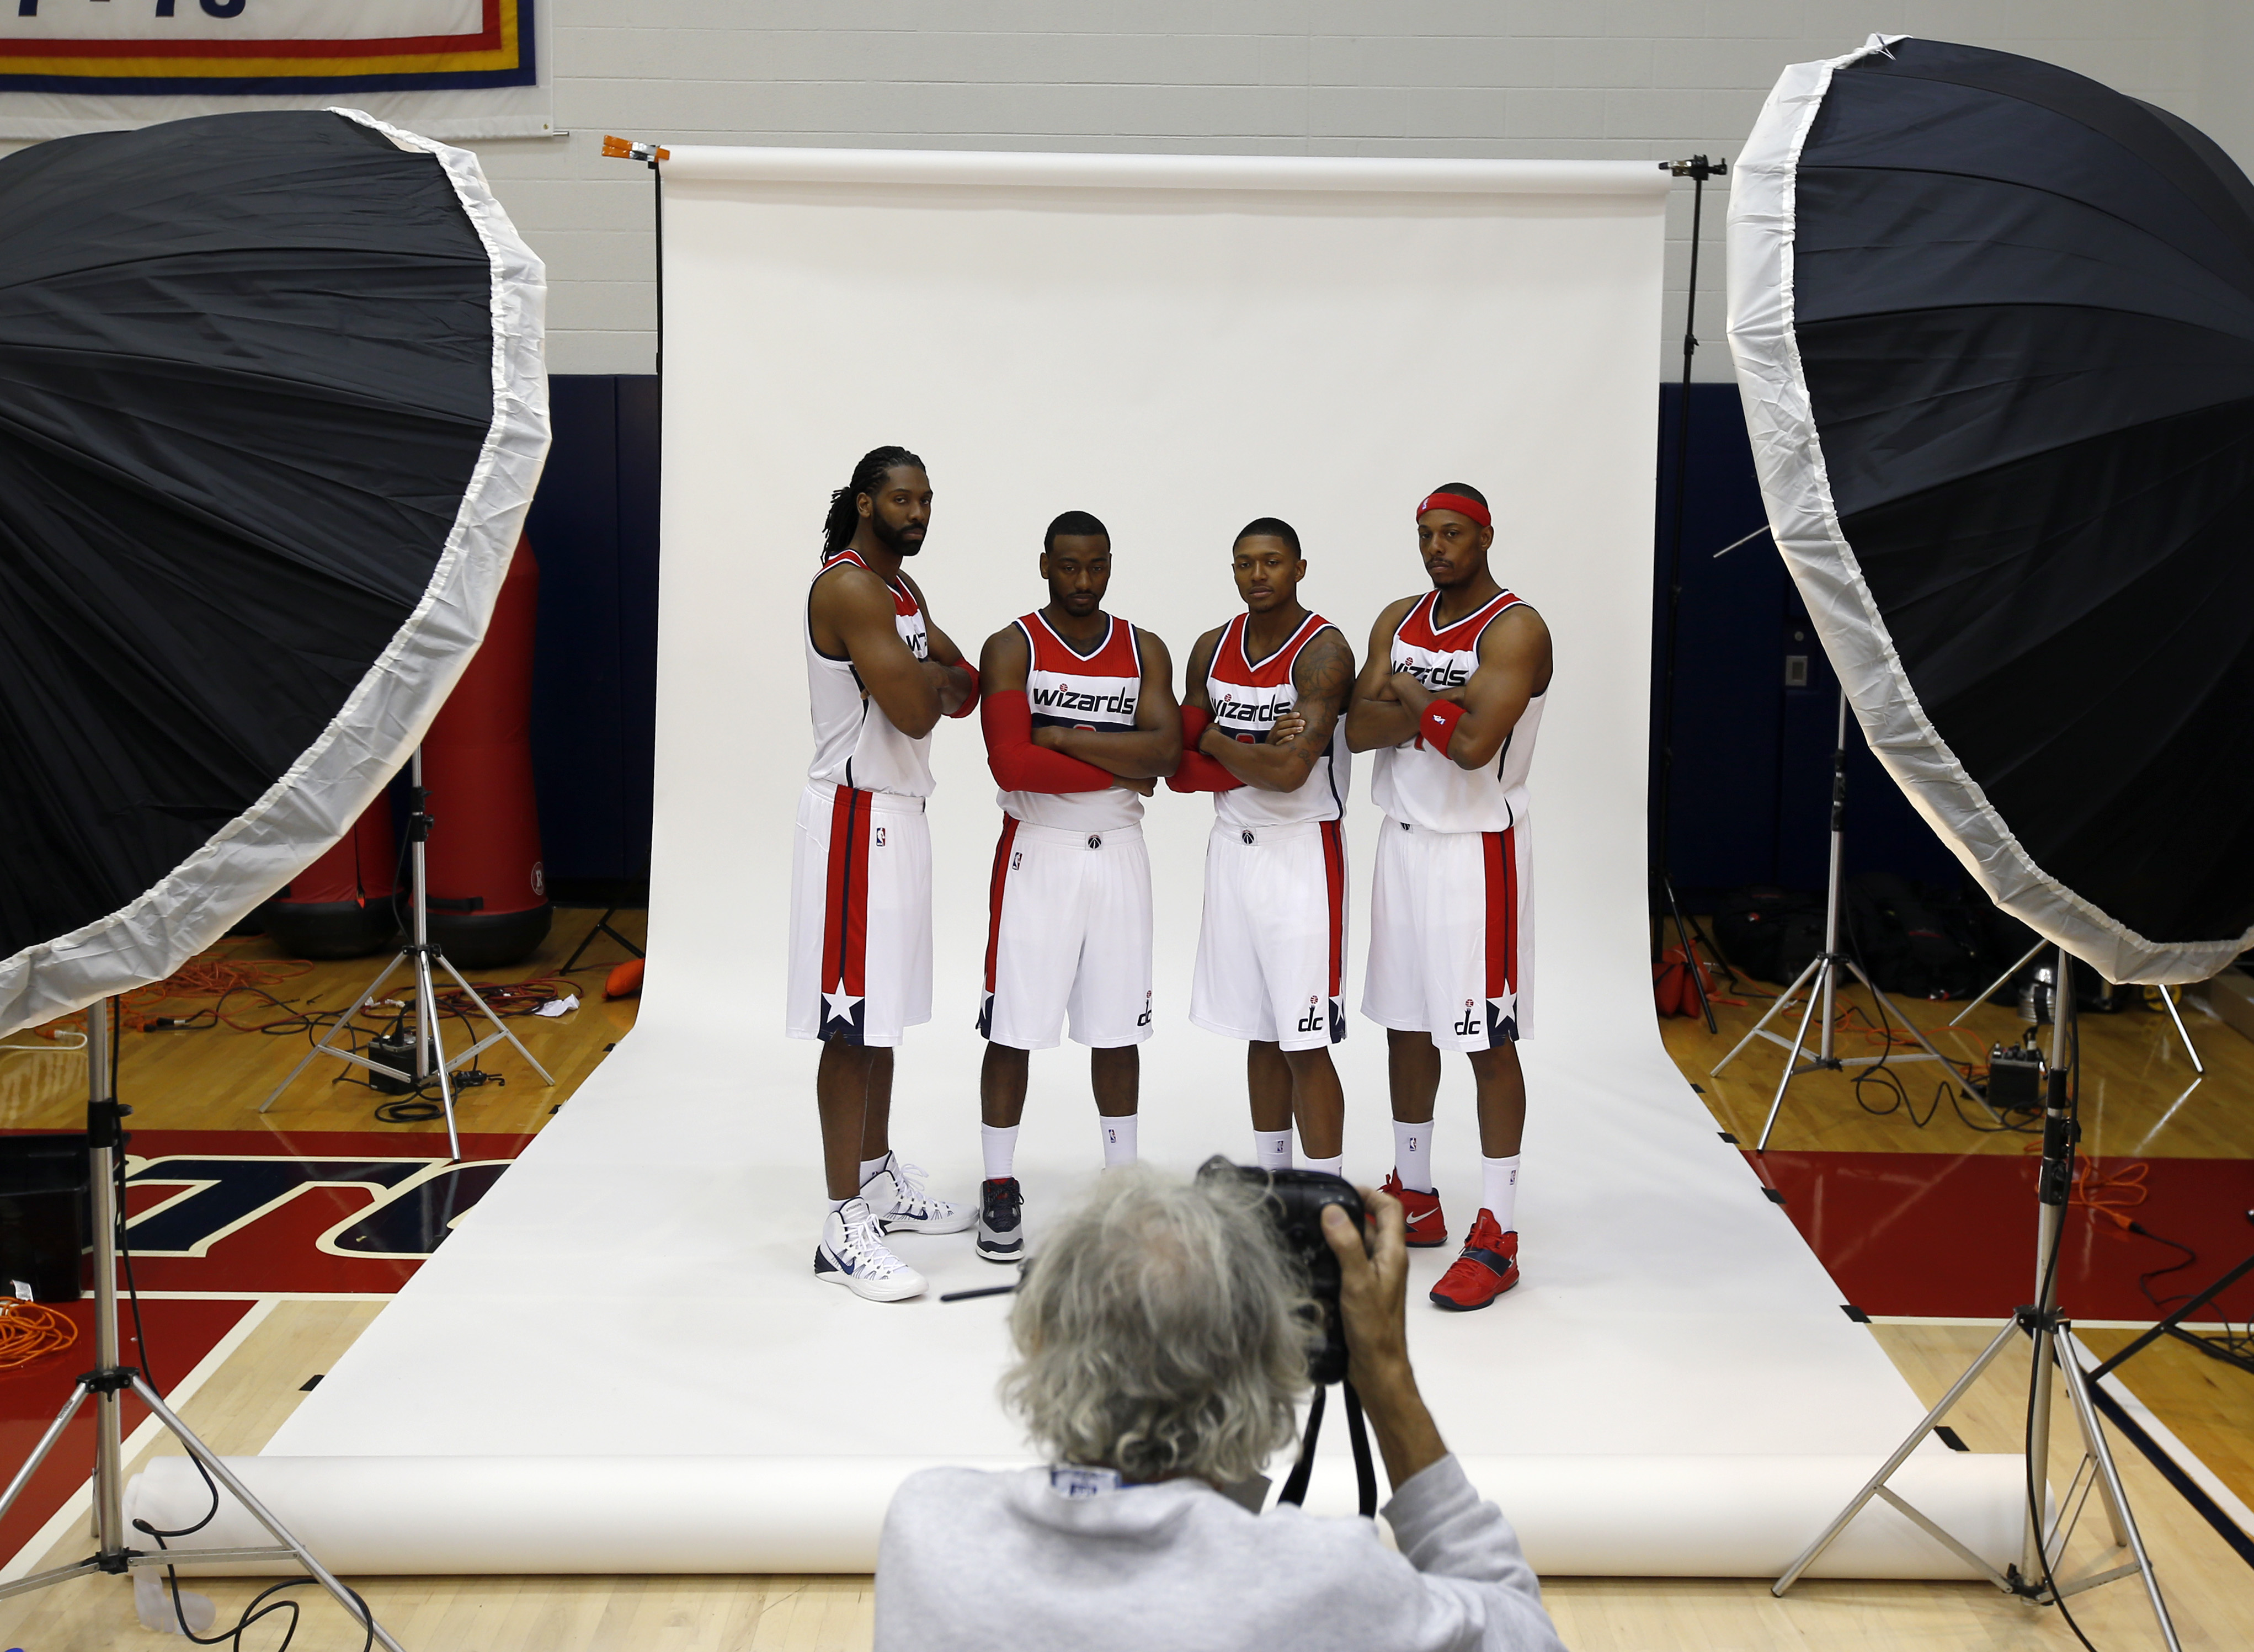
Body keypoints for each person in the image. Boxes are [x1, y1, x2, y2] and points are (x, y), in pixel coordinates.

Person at [873, 1168, 1566, 1652]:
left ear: (1035, 1336)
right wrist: (1386, 1375)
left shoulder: (928, 1530)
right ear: (1272, 1367)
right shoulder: (1322, 1585)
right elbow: (1523, 1635)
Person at [1345, 483, 1552, 1312]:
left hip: (1477, 851)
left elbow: (1472, 749)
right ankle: (1417, 1195)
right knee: (1406, 1022)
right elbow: (1354, 731)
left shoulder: (1516, 627)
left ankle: (1497, 1231)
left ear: (1485, 536)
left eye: (1453, 533)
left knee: (1485, 1037)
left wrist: (1405, 693)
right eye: (1427, 534)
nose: (1437, 548)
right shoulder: (1399, 615)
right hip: (1401, 838)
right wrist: (1430, 705)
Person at [788, 445, 979, 1303]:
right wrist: (928, 680)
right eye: (903, 498)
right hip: (855, 818)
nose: (918, 512)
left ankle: (873, 1176)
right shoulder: (849, 586)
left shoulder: (903, 592)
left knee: (885, 1014)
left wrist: (929, 677)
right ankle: (841, 1223)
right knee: (850, 1022)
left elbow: (964, 682)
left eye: (926, 499)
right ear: (866, 502)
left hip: (903, 813)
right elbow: (912, 705)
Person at [973, 510, 1181, 1263]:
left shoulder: (1143, 647)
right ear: (1044, 565)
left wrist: (1060, 735)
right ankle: (999, 1185)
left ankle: (1121, 1185)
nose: (1083, 581)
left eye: (1096, 566)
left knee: (1118, 1026)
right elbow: (1011, 765)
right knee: (1013, 1026)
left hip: (1119, 852)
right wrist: (1123, 762)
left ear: (1110, 564)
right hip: (1041, 851)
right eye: (1068, 566)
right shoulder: (1012, 646)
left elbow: (1166, 753)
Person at [1169, 517, 1356, 1178]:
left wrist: (1219, 740)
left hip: (1299, 851)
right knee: (1259, 1032)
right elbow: (1176, 771)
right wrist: (1250, 748)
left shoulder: (1323, 650)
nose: (1257, 575)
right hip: (1231, 849)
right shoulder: (1209, 648)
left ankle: (1329, 1201)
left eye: (1271, 562)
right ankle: (1278, 1187)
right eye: (1244, 563)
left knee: (1304, 1040)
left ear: (1299, 567)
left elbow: (1289, 774)